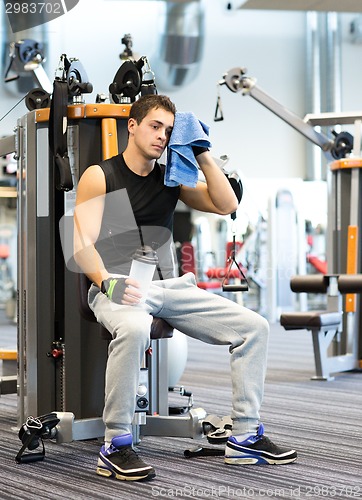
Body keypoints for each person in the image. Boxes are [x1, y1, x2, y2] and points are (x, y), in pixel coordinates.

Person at [73, 94, 297, 482]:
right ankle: (116, 443)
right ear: (133, 125)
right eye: (155, 126)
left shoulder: (171, 178)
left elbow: (225, 204)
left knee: (254, 327)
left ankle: (244, 435)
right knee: (134, 327)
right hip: (118, 285)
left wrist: (201, 151)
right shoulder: (101, 175)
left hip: (168, 287)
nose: (162, 136)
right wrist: (107, 283)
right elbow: (81, 243)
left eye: (169, 131)